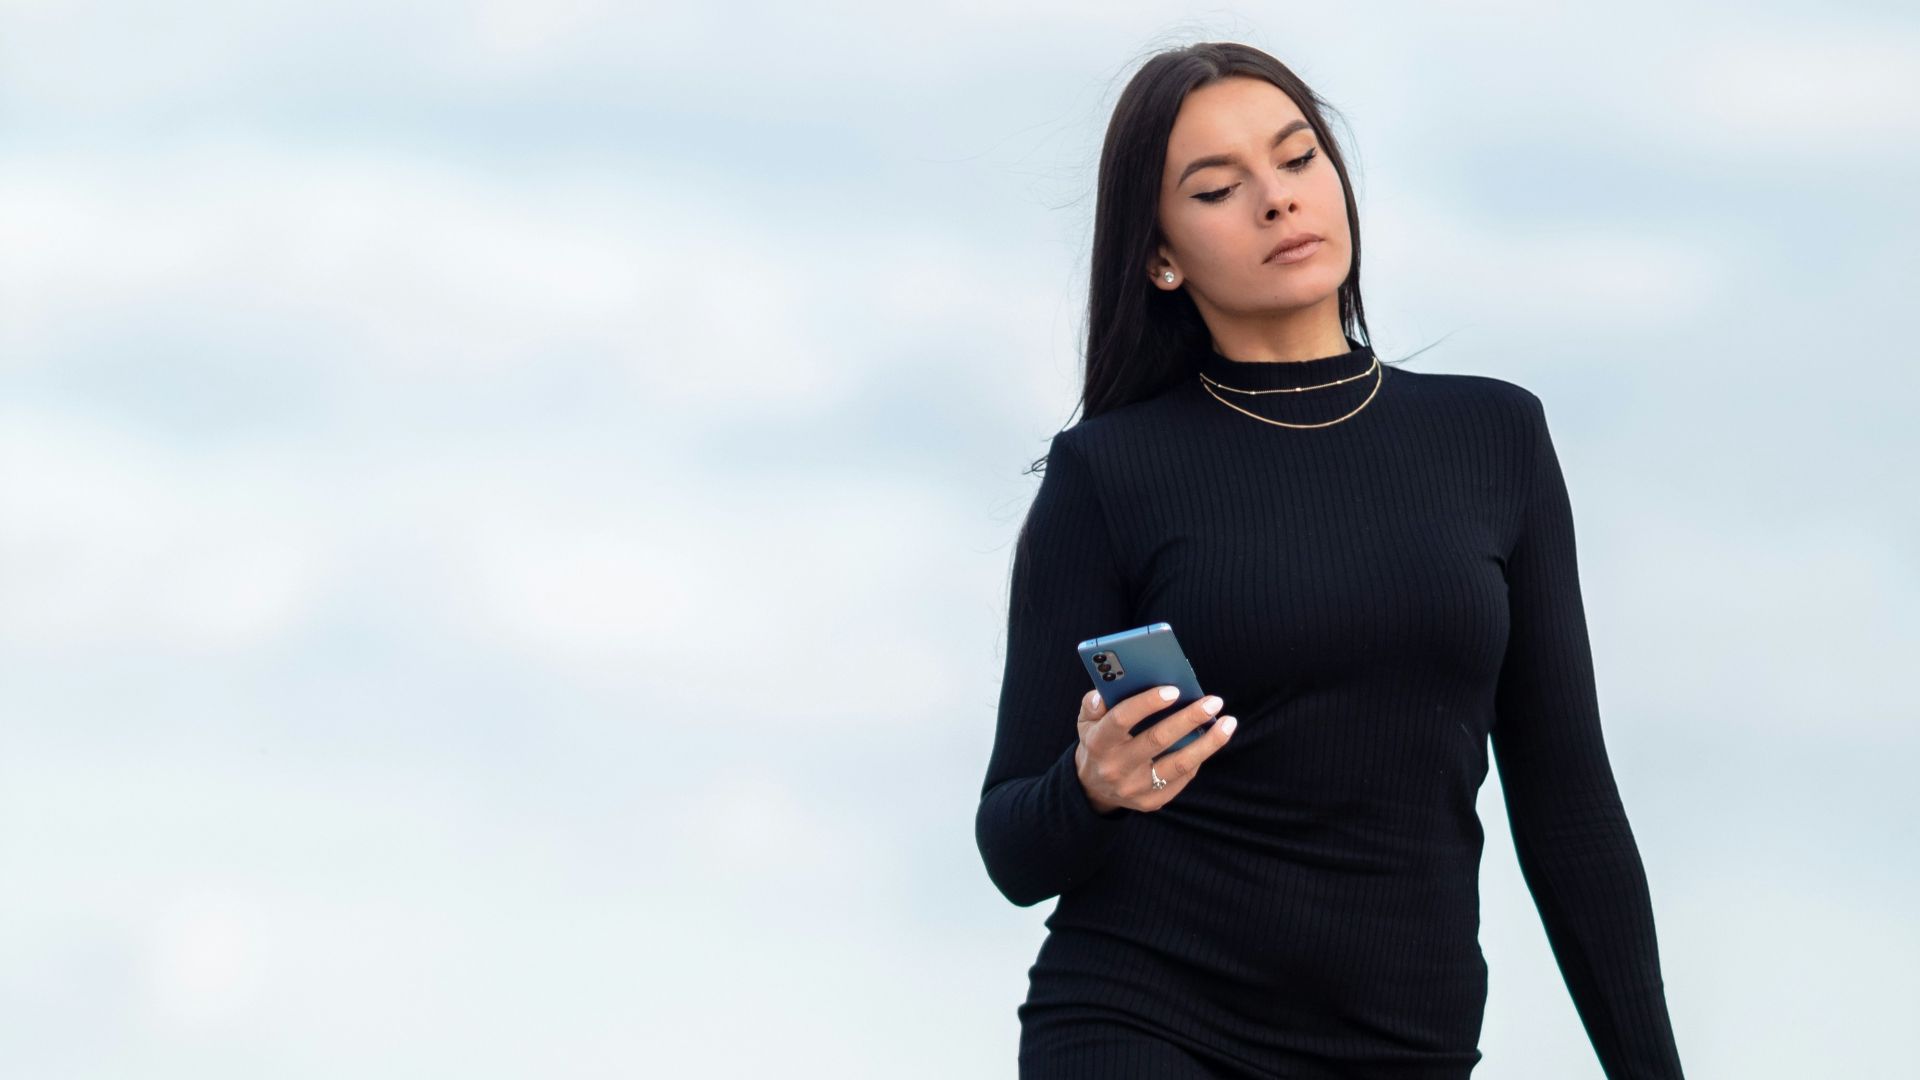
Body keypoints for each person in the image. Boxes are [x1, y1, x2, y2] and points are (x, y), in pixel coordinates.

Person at [973, 41, 1686, 1080]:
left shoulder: (1495, 438)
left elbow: (1568, 804)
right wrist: (1092, 786)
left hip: (1404, 1049)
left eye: (1298, 159)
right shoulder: (1110, 476)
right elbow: (1012, 845)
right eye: (1218, 188)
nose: (1276, 200)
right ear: (1160, 257)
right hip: (1147, 1023)